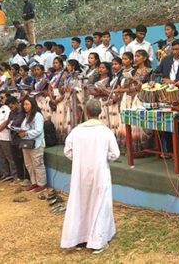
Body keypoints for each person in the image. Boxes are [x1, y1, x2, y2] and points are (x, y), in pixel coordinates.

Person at [61, 99, 120, 253]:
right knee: (100, 204)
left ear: (86, 112)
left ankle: (79, 238)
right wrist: (101, 157)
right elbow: (115, 154)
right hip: (99, 172)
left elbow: (67, 151)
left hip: (80, 174)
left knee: (81, 204)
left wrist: (81, 158)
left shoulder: (77, 131)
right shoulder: (105, 131)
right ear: (100, 112)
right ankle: (98, 241)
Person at [19, 96, 46, 192]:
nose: (25, 106)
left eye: (27, 104)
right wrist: (20, 131)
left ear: (32, 105)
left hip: (36, 144)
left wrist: (26, 133)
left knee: (38, 164)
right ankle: (34, 182)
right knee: (29, 165)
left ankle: (41, 184)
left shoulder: (38, 115)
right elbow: (23, 127)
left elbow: (38, 130)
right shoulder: (26, 116)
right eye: (24, 104)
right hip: (26, 143)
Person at [0, 92, 18, 181]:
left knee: (9, 157)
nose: (0, 99)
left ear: (7, 98)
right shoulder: (0, 108)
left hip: (5, 136)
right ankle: (7, 174)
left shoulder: (8, 109)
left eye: (2, 97)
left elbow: (6, 122)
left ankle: (15, 175)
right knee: (2, 156)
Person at [7, 96, 29, 185]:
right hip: (13, 138)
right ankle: (20, 177)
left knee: (24, 160)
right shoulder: (11, 112)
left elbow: (17, 123)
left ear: (16, 103)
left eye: (12, 107)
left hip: (21, 139)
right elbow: (9, 122)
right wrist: (11, 124)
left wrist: (12, 124)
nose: (11, 109)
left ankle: (27, 178)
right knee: (16, 160)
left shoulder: (22, 112)